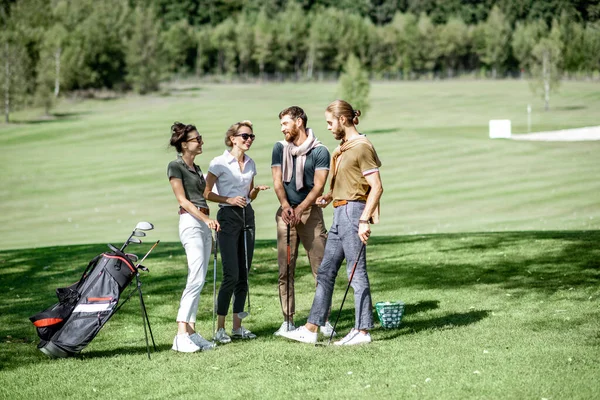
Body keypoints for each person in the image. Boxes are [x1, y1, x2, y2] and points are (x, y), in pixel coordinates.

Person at [279, 100, 383, 346]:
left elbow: (376, 187)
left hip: (353, 213)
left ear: (343, 120)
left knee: (356, 272)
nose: (327, 127)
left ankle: (363, 330)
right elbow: (349, 181)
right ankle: (311, 328)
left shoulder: (362, 147)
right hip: (339, 212)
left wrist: (364, 220)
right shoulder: (345, 147)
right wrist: (330, 195)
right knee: (325, 271)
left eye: (329, 122)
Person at [271, 106, 335, 337]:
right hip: (286, 214)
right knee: (285, 270)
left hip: (310, 215)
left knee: (321, 270)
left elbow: (319, 186)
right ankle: (287, 321)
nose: (282, 128)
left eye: (285, 123)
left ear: (298, 122)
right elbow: (277, 181)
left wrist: (301, 208)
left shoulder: (320, 151)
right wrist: (288, 207)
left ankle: (323, 321)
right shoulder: (279, 148)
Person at [204, 120, 270, 343]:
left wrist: (255, 192)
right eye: (245, 136)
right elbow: (207, 193)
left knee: (244, 273)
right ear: (233, 138)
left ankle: (237, 327)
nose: (249, 139)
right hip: (227, 217)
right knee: (230, 274)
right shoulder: (219, 163)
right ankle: (220, 329)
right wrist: (229, 199)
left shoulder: (251, 163)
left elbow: (249, 192)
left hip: (247, 216)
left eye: (251, 136)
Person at [167, 122, 221, 353]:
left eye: (200, 138)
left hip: (203, 222)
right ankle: (180, 335)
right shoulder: (175, 166)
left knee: (198, 277)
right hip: (191, 222)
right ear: (184, 144)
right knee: (196, 278)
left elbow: (206, 195)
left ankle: (190, 330)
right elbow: (183, 201)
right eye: (197, 139)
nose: (201, 142)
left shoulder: (197, 169)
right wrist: (205, 219)